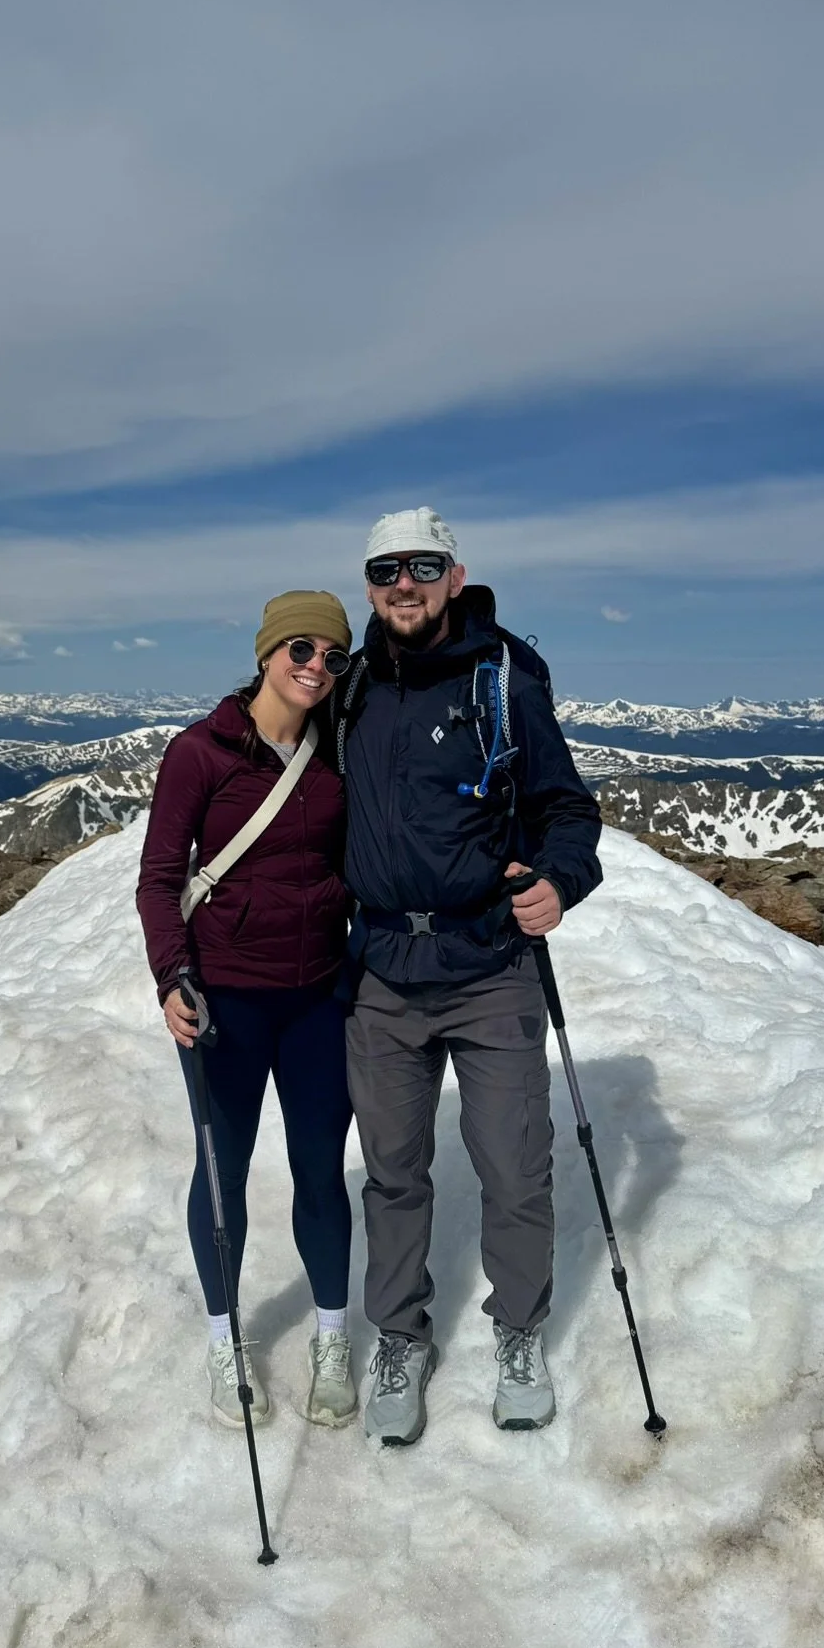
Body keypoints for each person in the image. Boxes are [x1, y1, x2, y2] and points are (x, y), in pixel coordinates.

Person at [328, 508, 602, 1446]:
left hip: (489, 963)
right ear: (368, 584)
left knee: (514, 1167)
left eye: (422, 566)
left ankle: (518, 1333)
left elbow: (568, 808)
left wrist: (559, 883)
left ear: (454, 574)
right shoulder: (351, 685)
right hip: (384, 972)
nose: (403, 583)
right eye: (385, 569)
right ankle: (400, 1335)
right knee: (394, 1172)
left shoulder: (503, 678)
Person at [136, 591, 359, 1431]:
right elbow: (160, 879)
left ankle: (331, 1339)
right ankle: (225, 1337)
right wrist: (171, 977)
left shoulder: (337, 751)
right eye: (300, 649)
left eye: (333, 657)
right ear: (267, 652)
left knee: (317, 1171)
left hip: (318, 999)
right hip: (222, 1000)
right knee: (222, 1173)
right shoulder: (199, 754)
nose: (315, 667)